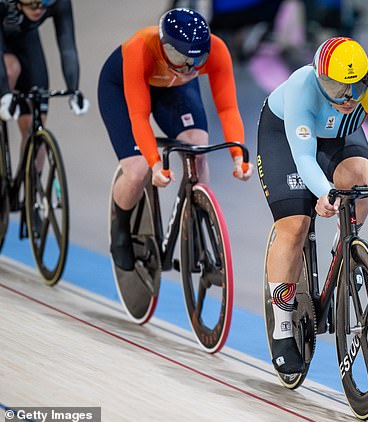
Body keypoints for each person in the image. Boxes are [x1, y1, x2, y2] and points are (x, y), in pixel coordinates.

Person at [257, 36, 368, 374]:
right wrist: (324, 191)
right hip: (286, 138)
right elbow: (303, 157)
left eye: (355, 88)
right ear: (319, 77)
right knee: (295, 224)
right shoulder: (302, 87)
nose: (347, 97)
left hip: (338, 136)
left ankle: (343, 251)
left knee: (362, 178)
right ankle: (282, 327)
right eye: (336, 87)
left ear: (367, 79)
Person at [98, 7, 253, 271]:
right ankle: (120, 227)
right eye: (178, 57)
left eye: (197, 60)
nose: (189, 67)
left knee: (197, 149)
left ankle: (198, 222)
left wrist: (239, 157)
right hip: (123, 89)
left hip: (174, 88)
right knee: (137, 171)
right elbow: (139, 117)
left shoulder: (212, 53)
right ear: (163, 45)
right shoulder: (140, 48)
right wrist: (156, 165)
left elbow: (227, 109)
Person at [0, 0, 88, 136]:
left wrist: (74, 90)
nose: (38, 10)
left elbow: (68, 48)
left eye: (44, 5)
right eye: (33, 5)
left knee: (36, 124)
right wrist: (5, 92)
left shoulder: (58, 3)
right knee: (11, 69)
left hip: (26, 42)